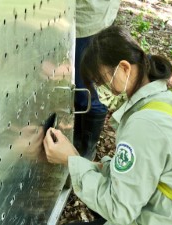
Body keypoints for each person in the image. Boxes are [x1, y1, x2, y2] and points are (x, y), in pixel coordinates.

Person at [43, 26, 172, 225]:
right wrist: (80, 162)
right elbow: (137, 175)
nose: (102, 91)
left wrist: (71, 160)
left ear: (124, 68)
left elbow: (119, 211)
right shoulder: (163, 101)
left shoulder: (145, 125)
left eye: (102, 81)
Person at [74, 0, 121, 160]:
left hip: (89, 19)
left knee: (88, 90)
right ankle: (77, 139)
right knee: (76, 84)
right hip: (70, 16)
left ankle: (86, 148)